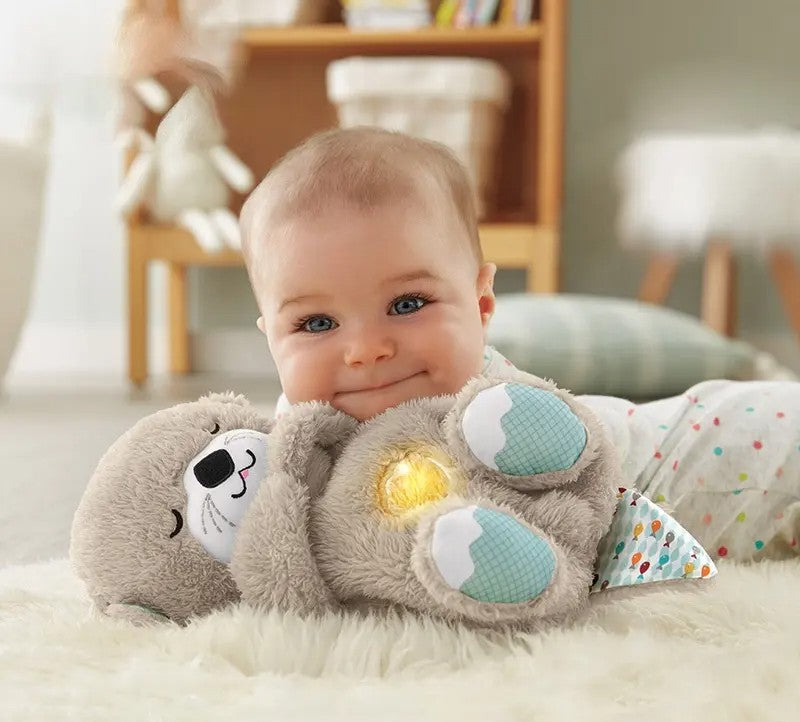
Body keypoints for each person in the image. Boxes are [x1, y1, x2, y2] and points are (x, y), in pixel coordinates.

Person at [239, 126, 800, 563]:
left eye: (407, 305)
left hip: (738, 448)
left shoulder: (498, 416)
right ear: (272, 341)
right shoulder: (292, 445)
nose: (365, 350)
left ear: (482, 305)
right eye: (315, 324)